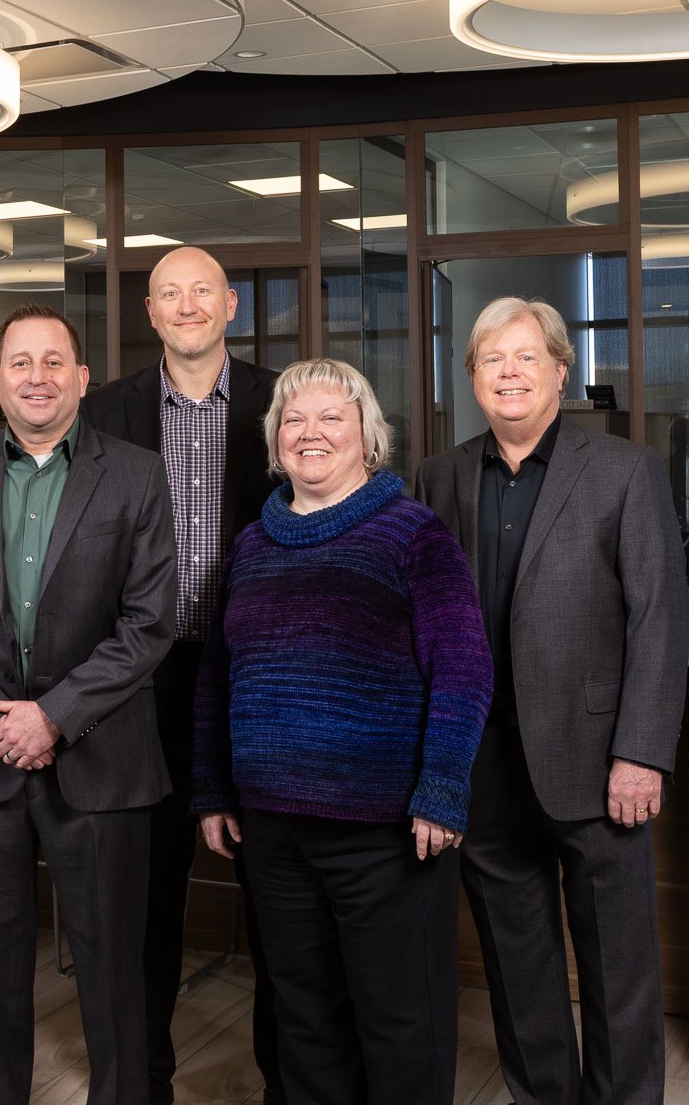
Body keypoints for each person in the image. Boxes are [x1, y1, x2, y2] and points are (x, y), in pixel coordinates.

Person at [192, 357, 492, 1103]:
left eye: (332, 417)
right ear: (274, 441)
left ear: (368, 435)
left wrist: (444, 789)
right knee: (301, 1016)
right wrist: (212, 790)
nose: (311, 432)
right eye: (294, 419)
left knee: (399, 1020)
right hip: (272, 832)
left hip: (386, 833)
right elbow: (217, 677)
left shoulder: (413, 535)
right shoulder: (252, 546)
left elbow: (464, 666)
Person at [415, 297, 689, 1105]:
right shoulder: (441, 476)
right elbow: (426, 621)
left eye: (526, 357)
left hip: (597, 761)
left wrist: (640, 752)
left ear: (561, 373)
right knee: (517, 961)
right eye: (492, 359)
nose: (508, 373)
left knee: (618, 968)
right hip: (484, 765)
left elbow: (658, 619)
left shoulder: (624, 471)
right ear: (471, 376)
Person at [0, 303, 176, 1105]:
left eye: (54, 361)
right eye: (20, 362)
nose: (37, 376)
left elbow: (150, 619)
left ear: (82, 378)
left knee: (110, 961)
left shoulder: (134, 472)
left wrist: (52, 715)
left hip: (101, 757)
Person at [82, 246, 284, 1105]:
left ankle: (291, 1079)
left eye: (203, 290)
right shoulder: (105, 411)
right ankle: (143, 1079)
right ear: (150, 315)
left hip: (259, 679)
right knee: (147, 894)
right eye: (171, 294)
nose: (188, 304)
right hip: (145, 681)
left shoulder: (288, 401)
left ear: (231, 306)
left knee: (279, 895)